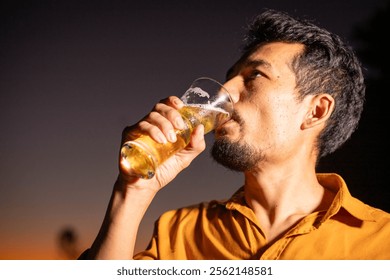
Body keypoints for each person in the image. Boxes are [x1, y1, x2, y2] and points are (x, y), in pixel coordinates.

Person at [79, 9, 390, 260]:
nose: (225, 91)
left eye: (255, 75)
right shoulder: (180, 231)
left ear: (316, 111)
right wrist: (132, 191)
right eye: (230, 78)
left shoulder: (380, 241)